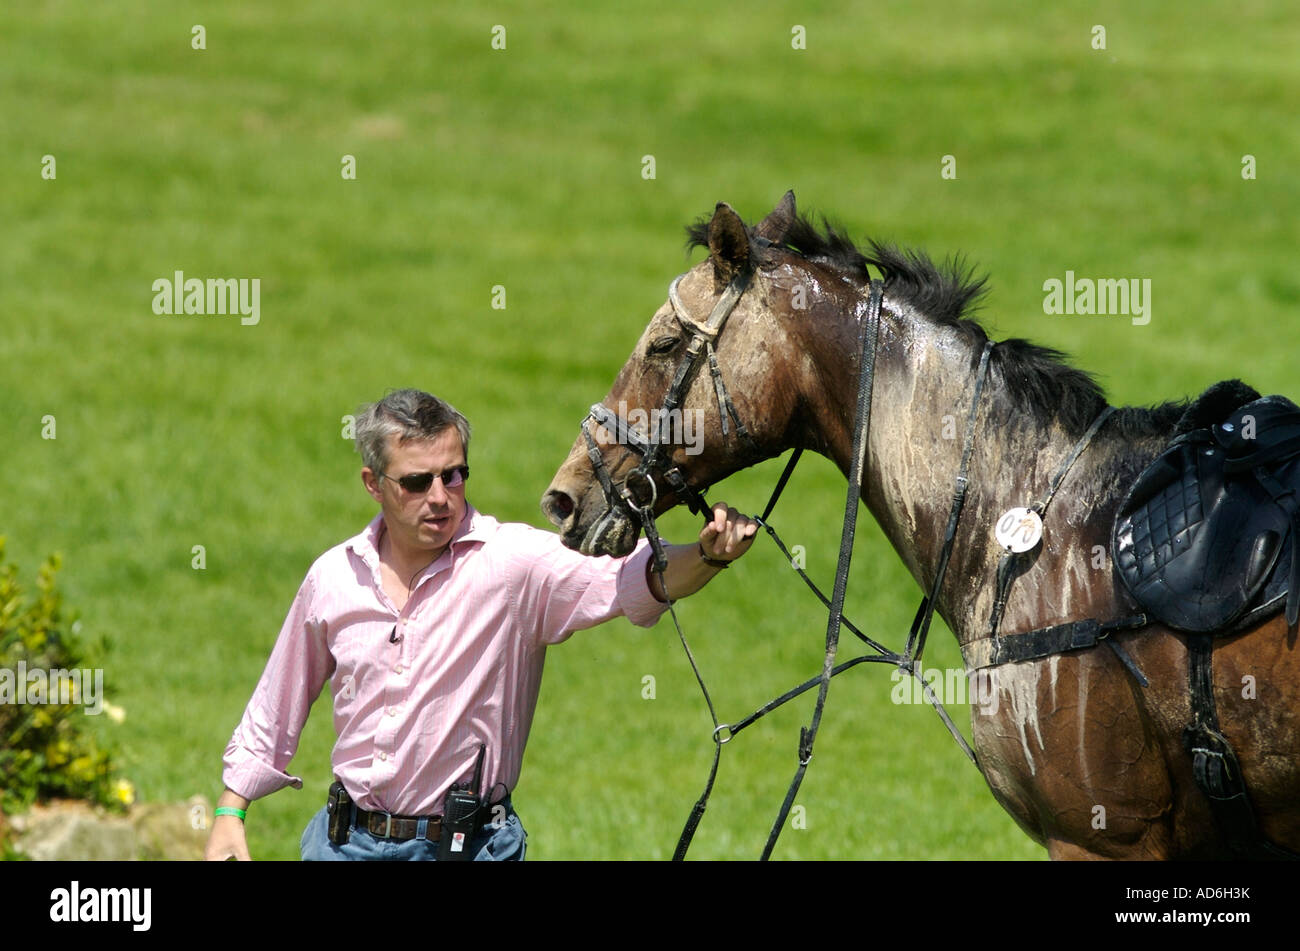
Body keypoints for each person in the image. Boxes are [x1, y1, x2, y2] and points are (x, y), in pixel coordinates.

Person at [203, 388, 756, 860]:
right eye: (417, 482)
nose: (440, 498)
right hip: (342, 846)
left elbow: (632, 580)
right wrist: (231, 810)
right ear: (373, 484)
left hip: (467, 848)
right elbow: (279, 700)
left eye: (454, 475)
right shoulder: (333, 577)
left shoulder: (512, 564)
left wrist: (708, 556)